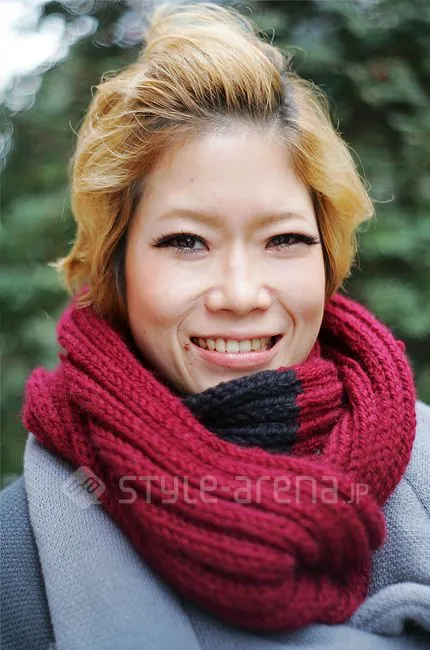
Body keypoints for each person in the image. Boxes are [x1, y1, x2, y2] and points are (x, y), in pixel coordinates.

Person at [1, 2, 429, 649]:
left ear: (328, 257)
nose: (240, 294)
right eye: (186, 242)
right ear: (115, 265)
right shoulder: (18, 553)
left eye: (284, 239)